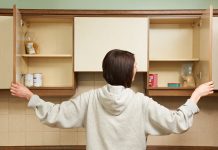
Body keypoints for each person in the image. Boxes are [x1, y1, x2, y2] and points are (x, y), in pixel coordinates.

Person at [10, 49, 214, 150]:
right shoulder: (140, 102)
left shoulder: (89, 99)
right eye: (135, 67)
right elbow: (177, 121)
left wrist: (30, 96)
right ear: (129, 73)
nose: (136, 69)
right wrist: (195, 95)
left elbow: (55, 114)